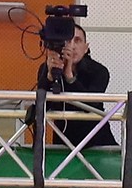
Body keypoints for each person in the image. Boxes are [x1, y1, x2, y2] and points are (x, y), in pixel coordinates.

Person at [34, 12, 113, 148]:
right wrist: (50, 77)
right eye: (68, 40)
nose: (72, 46)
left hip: (97, 144)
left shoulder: (99, 71)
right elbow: (42, 105)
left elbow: (91, 105)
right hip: (64, 144)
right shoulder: (47, 68)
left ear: (86, 48)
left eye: (77, 40)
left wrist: (69, 75)